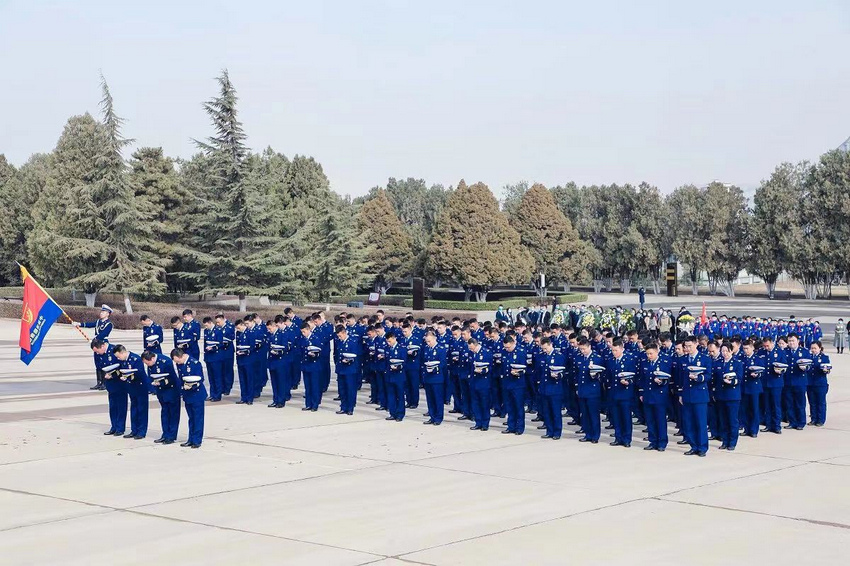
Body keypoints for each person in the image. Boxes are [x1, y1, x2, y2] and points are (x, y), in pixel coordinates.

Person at [680, 336, 711, 456]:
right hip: (687, 394)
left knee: (700, 423)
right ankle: (693, 446)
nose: (688, 348)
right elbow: (680, 379)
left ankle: (702, 447)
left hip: (699, 395)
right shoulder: (683, 359)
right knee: (688, 423)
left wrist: (699, 378)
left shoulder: (704, 358)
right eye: (686, 346)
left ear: (696, 344)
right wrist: (680, 394)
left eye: (690, 346)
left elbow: (708, 375)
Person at [142, 350, 181, 444]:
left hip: (171, 390)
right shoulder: (150, 364)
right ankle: (165, 434)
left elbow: (173, 378)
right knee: (164, 413)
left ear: (152, 358)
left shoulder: (166, 362)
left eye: (148, 363)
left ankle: (171, 436)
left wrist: (162, 383)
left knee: (173, 414)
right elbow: (150, 376)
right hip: (161, 391)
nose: (148, 365)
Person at [638, 343, 671, 451]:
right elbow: (642, 379)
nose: (649, 356)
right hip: (648, 395)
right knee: (650, 420)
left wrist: (661, 382)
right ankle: (653, 441)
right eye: (647, 354)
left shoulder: (664, 362)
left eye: (651, 353)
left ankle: (662, 442)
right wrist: (641, 393)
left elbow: (668, 378)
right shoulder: (645, 363)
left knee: (660, 420)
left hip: (659, 395)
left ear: (657, 352)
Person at [171, 348, 207, 448]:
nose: (177, 363)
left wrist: (192, 386)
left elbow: (200, 378)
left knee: (197, 418)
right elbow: (181, 378)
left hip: (196, 394)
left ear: (182, 356)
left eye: (178, 361)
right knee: (191, 418)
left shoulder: (194, 363)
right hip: (187, 394)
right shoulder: (180, 364)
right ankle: (190, 439)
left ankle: (197, 440)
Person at [91, 339, 127, 435]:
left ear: (102, 346)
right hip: (110, 383)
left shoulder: (115, 350)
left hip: (119, 383)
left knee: (121, 406)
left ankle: (120, 428)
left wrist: (113, 375)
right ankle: (114, 426)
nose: (97, 353)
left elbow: (122, 365)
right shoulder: (101, 354)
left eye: (97, 351)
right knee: (112, 406)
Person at [113, 345, 150, 440]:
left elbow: (140, 373)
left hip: (140, 386)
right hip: (131, 387)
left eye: (118, 356)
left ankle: (141, 431)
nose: (118, 359)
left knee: (141, 410)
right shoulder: (123, 360)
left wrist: (129, 376)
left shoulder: (135, 359)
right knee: (134, 409)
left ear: (122, 352)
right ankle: (134, 430)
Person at [75, 305, 114, 390]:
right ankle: (99, 382)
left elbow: (103, 334)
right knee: (97, 363)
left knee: (104, 363)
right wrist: (79, 324)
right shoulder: (98, 322)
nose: (101, 313)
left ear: (108, 314)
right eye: (101, 312)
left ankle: (104, 383)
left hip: (102, 345)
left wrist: (94, 340)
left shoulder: (109, 324)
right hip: (96, 344)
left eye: (103, 312)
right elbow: (90, 324)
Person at [606, 339, 637, 447]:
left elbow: (634, 375)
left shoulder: (629, 360)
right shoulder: (611, 360)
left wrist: (628, 382)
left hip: (625, 393)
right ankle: (618, 437)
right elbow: (608, 376)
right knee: (616, 417)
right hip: (614, 392)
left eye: (616, 350)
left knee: (626, 417)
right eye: (613, 350)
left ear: (622, 349)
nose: (614, 352)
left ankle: (627, 439)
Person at [714, 343, 742, 450]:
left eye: (727, 351)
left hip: (732, 395)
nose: (724, 353)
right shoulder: (718, 363)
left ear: (731, 351)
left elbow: (739, 379)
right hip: (721, 395)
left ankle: (732, 442)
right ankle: (725, 441)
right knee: (723, 420)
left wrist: (731, 382)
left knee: (732, 420)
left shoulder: (737, 363)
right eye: (723, 351)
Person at [575, 338, 603, 443]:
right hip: (582, 390)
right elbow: (577, 374)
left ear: (589, 347)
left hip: (592, 390)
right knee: (585, 414)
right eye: (581, 349)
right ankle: (588, 434)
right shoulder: (579, 357)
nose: (583, 351)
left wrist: (595, 375)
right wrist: (577, 388)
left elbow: (602, 374)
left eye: (584, 349)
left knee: (593, 414)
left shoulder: (596, 358)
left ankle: (595, 435)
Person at [783, 334, 809, 430]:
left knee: (800, 403)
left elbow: (810, 364)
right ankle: (792, 422)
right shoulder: (785, 352)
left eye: (793, 341)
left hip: (800, 381)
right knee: (789, 403)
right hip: (788, 381)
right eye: (789, 341)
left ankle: (801, 422)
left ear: (798, 341)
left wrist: (805, 368)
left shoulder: (804, 351)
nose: (791, 343)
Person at [501, 336, 526, 435]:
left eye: (508, 347)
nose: (507, 349)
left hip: (517, 384)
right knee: (509, 406)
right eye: (505, 347)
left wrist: (518, 373)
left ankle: (519, 427)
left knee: (518, 406)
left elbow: (524, 368)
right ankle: (511, 426)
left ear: (512, 343)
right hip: (507, 383)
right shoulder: (504, 352)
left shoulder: (520, 352)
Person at [421, 331, 447, 425]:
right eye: (427, 341)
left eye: (429, 341)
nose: (428, 343)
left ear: (434, 339)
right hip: (428, 377)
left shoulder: (441, 349)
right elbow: (424, 361)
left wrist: (434, 369)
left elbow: (443, 363)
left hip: (437, 377)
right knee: (430, 399)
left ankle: (438, 418)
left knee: (437, 398)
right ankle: (432, 416)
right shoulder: (426, 348)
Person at [334, 324, 360, 415]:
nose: (339, 337)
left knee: (350, 389)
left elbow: (355, 355)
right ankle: (343, 407)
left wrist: (348, 360)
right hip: (341, 368)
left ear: (344, 333)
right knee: (342, 389)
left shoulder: (352, 341)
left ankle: (350, 408)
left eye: (340, 335)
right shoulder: (339, 342)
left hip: (350, 369)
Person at [468, 338, 492, 431]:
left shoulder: (486, 352)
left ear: (476, 345)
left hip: (483, 382)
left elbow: (490, 367)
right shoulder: (472, 353)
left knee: (484, 403)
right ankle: (478, 422)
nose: (471, 350)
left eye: (472, 348)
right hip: (474, 381)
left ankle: (485, 423)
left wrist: (482, 371)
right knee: (475, 403)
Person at [384, 331, 406, 421]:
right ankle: (392, 413)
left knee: (400, 395)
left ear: (394, 339)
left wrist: (398, 367)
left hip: (399, 375)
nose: (388, 343)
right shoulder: (387, 348)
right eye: (387, 341)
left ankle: (400, 414)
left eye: (389, 341)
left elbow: (404, 362)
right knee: (391, 395)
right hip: (389, 375)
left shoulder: (401, 348)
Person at [807, 341, 830, 426]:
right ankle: (813, 418)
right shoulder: (809, 357)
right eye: (812, 348)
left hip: (820, 383)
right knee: (812, 402)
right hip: (810, 383)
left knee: (820, 402)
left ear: (820, 348)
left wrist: (826, 370)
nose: (813, 350)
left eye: (815, 348)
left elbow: (828, 369)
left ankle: (820, 420)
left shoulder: (824, 357)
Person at [202, 317, 225, 402]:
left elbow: (220, 344)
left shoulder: (218, 331)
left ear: (210, 322)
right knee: (211, 377)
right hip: (209, 357)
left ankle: (217, 395)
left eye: (206, 325)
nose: (206, 327)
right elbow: (205, 343)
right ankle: (212, 394)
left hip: (216, 356)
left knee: (217, 377)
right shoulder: (206, 331)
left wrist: (213, 348)